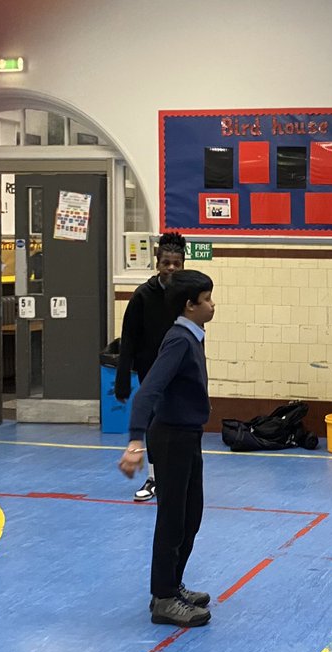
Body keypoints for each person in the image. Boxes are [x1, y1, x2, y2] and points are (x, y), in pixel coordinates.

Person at [118, 270, 216, 628]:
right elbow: (148, 391)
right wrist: (134, 441)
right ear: (189, 306)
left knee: (191, 516)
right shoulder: (178, 340)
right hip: (171, 438)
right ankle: (163, 598)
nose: (211, 305)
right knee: (173, 520)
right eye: (206, 299)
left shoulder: (193, 336)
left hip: (188, 436)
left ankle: (173, 585)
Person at [115, 232, 187, 502]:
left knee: (178, 425)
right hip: (151, 370)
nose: (170, 268)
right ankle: (154, 478)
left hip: (180, 372)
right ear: (157, 263)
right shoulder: (142, 296)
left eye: (176, 263)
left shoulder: (187, 296)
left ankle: (176, 475)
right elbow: (129, 338)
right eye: (165, 262)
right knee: (155, 424)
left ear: (182, 264)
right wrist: (123, 378)